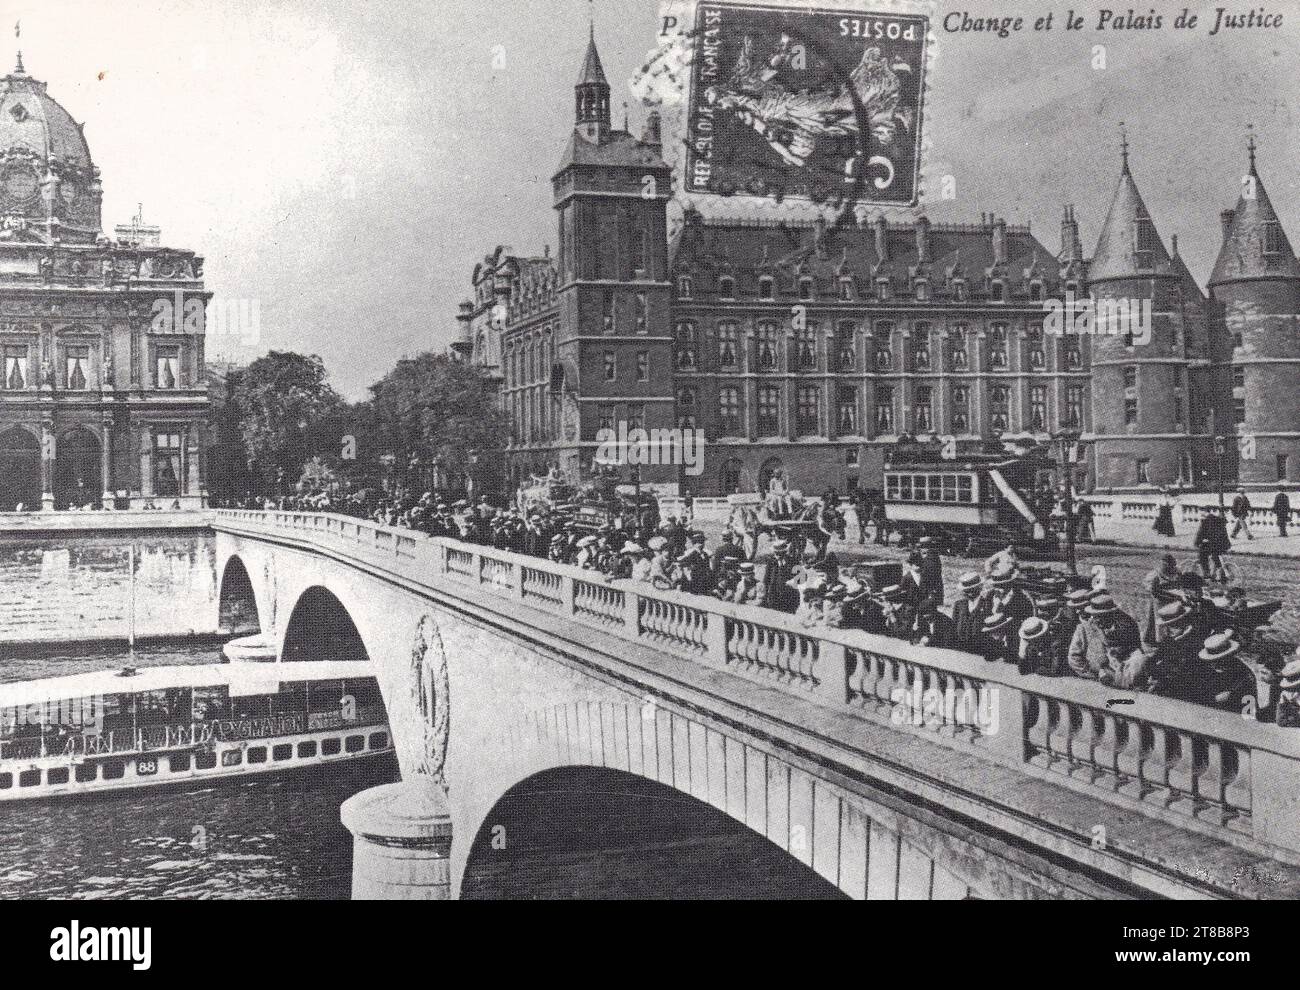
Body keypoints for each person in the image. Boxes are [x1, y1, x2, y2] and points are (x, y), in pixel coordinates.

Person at [1141, 553, 1181, 648]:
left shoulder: (1177, 572)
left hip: (1173, 598)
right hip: (1160, 600)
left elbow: (1181, 582)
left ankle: (1170, 638)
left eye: (1173, 566)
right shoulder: (1156, 575)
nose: (1172, 568)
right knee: (1158, 620)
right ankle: (1157, 641)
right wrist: (1166, 595)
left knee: (1172, 618)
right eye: (1169, 566)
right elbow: (1154, 591)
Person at [760, 539, 800, 614]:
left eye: (779, 553)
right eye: (775, 553)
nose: (777, 555)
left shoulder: (793, 562)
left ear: (784, 553)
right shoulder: (771, 562)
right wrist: (765, 597)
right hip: (774, 597)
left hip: (790, 597)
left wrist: (793, 581)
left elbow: (803, 577)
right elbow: (766, 580)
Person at [1193, 506, 1231, 581]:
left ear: (1204, 511)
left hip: (1214, 544)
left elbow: (1200, 533)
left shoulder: (1205, 521)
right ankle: (1217, 573)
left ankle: (1207, 573)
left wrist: (1196, 543)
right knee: (1215, 556)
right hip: (1224, 544)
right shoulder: (1218, 519)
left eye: (1200, 512)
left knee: (1202, 554)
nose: (1200, 514)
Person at [950, 572, 985, 652]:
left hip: (979, 650)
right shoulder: (959, 605)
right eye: (966, 590)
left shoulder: (987, 604)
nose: (969, 593)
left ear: (979, 588)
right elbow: (953, 628)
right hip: (960, 649)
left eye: (972, 589)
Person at [918, 537, 944, 604]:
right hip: (933, 583)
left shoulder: (930, 556)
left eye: (922, 546)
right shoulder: (934, 555)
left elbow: (930, 572)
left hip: (930, 584)